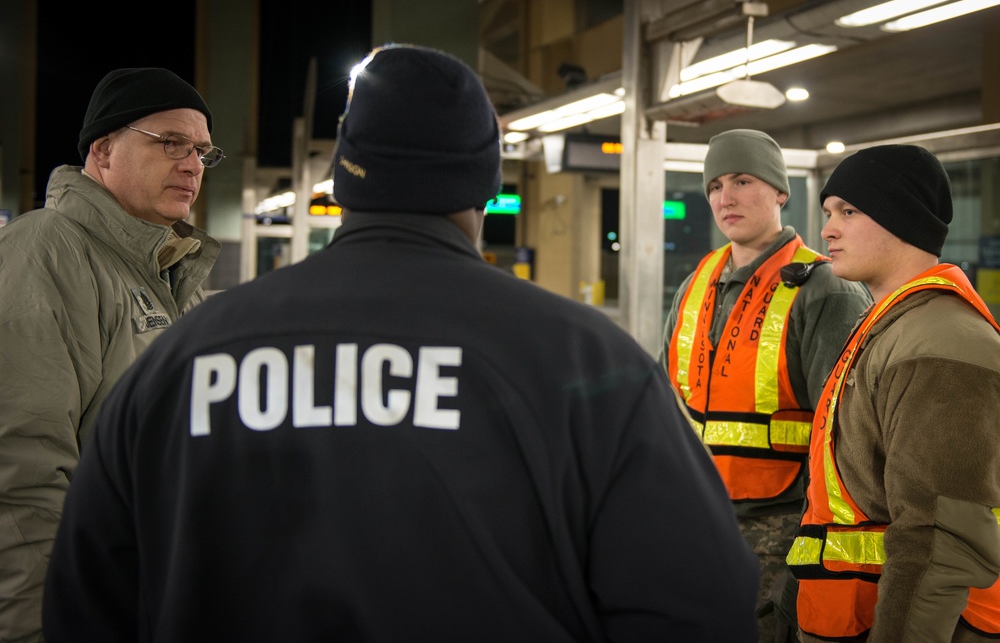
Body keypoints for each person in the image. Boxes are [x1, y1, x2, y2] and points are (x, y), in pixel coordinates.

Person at [42, 44, 759, 642]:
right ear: (484, 185)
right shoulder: (585, 363)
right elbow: (700, 603)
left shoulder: (185, 357)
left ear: (343, 180)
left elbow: (86, 598)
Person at [0, 67, 221, 642]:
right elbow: (21, 466)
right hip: (79, 604)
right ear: (103, 149)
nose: (192, 163)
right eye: (170, 142)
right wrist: (37, 627)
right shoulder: (47, 249)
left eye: (201, 150)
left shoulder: (174, 276)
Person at [659, 128, 872, 642]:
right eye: (714, 186)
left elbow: (847, 433)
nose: (724, 197)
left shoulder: (828, 289)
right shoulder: (698, 282)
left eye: (742, 180)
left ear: (780, 191)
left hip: (778, 530)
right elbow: (662, 403)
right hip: (693, 518)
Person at [785, 144, 1000, 642]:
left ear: (902, 218)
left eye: (849, 211)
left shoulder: (942, 342)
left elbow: (938, 540)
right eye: (827, 213)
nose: (827, 230)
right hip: (848, 615)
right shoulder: (890, 324)